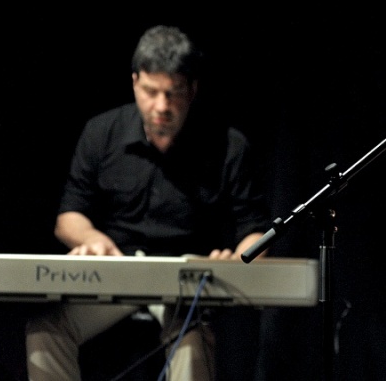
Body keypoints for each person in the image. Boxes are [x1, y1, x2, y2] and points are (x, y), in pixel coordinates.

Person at [26, 25, 271, 380]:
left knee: (190, 338)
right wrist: (91, 238)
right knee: (46, 330)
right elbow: (69, 217)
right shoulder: (102, 132)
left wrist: (237, 262)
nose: (162, 106)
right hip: (117, 270)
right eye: (151, 91)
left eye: (173, 93)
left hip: (184, 280)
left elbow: (255, 230)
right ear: (134, 82)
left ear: (193, 89)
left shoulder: (229, 145)